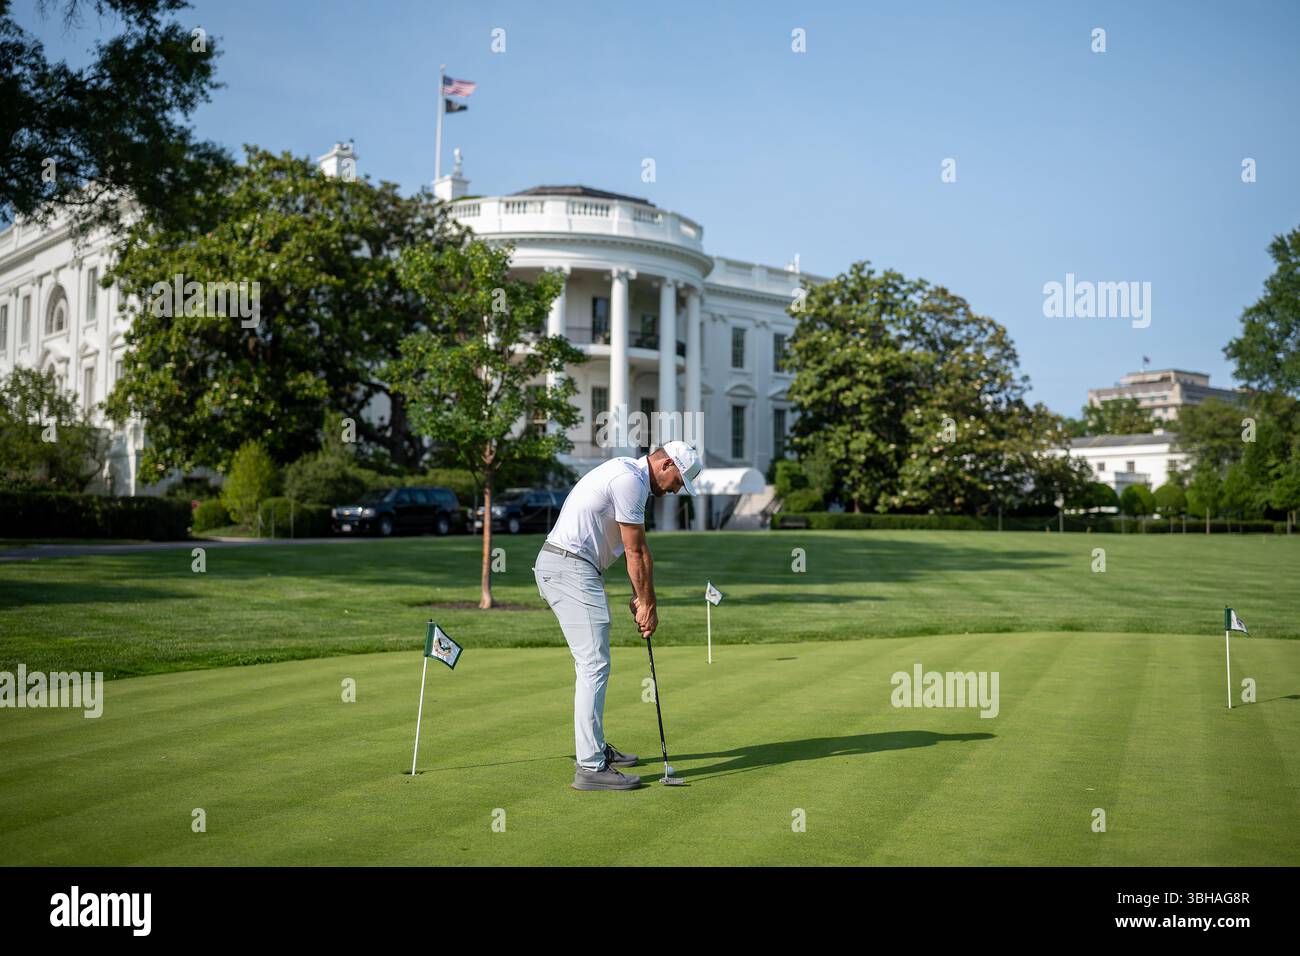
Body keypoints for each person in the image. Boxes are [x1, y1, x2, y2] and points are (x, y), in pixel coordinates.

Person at [533, 440, 701, 791]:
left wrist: (642, 596)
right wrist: (648, 604)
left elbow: (635, 550)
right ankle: (590, 767)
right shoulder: (629, 481)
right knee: (593, 664)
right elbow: (635, 551)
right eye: (678, 481)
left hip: (573, 567)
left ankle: (594, 749)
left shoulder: (629, 474)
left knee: (593, 663)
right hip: (568, 567)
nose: (676, 490)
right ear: (666, 464)